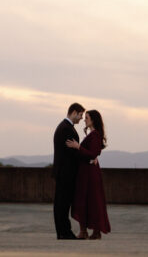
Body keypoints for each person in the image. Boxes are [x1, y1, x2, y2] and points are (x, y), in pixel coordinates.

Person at [66, 109, 111, 239]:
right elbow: (91, 154)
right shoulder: (93, 135)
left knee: (90, 200)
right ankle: (86, 231)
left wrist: (78, 147)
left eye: (87, 118)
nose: (84, 120)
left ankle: (91, 232)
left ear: (93, 120)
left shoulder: (95, 135)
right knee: (85, 200)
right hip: (86, 172)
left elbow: (94, 153)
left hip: (90, 174)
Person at [52, 102, 85, 239]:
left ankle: (63, 232)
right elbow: (72, 153)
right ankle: (64, 232)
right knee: (63, 204)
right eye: (80, 115)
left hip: (63, 172)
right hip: (66, 173)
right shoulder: (66, 129)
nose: (81, 118)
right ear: (74, 112)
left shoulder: (64, 127)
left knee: (61, 203)